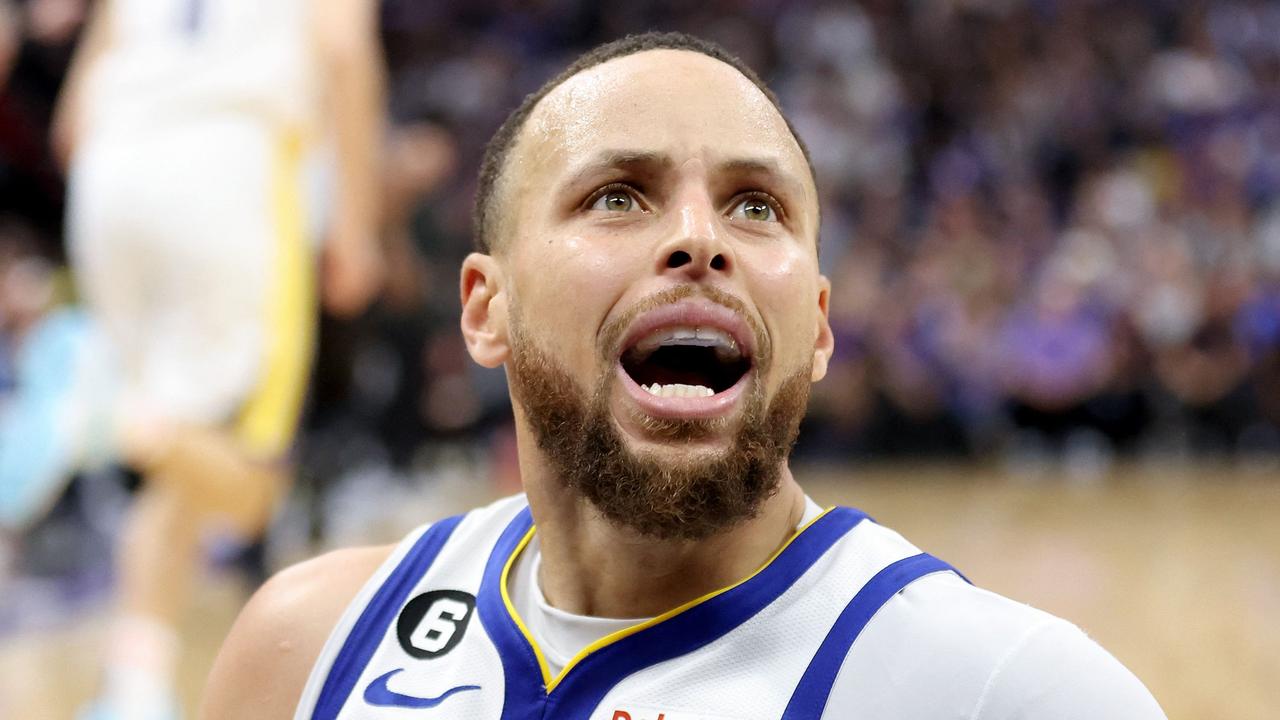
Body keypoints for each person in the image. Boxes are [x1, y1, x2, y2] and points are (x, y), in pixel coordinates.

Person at [202, 32, 1166, 719]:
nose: (700, 239)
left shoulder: (1009, 692)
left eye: (756, 207)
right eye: (619, 196)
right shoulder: (305, 648)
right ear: (486, 309)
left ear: (819, 328)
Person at [2, 0, 384, 717]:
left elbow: (68, 126)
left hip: (111, 172)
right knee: (250, 482)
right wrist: (356, 222)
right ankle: (104, 418)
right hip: (231, 165)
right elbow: (341, 49)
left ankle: (135, 689)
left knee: (175, 457)